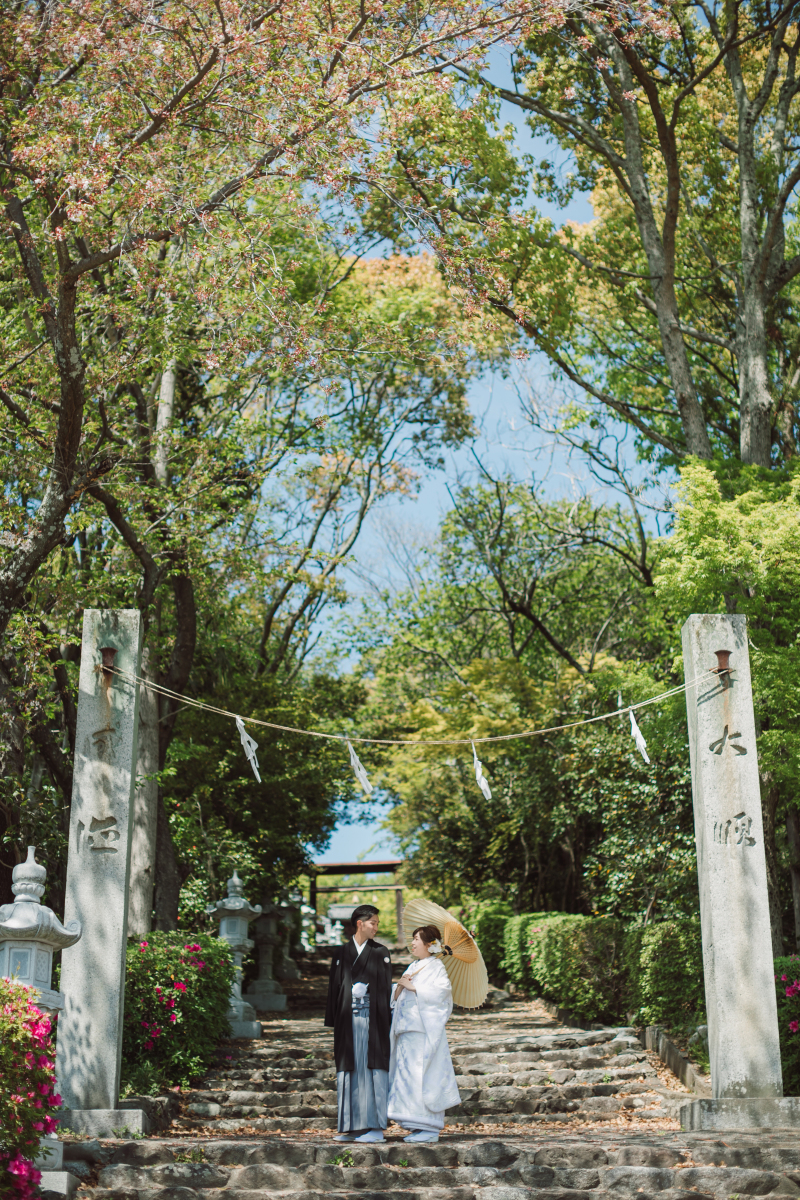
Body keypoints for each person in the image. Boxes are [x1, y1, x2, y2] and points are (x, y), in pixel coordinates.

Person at [324, 903, 393, 1143]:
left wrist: (368, 991)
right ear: (359, 923)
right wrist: (334, 1016)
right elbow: (334, 988)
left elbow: (385, 990)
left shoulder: (381, 952)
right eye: (373, 923)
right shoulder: (341, 953)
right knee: (349, 1070)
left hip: (371, 1020)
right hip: (347, 1020)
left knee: (370, 1069)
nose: (376, 927)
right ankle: (351, 1127)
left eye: (377, 923)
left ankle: (374, 1128)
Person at [387, 923, 460, 1143]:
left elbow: (442, 993)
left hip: (421, 1031)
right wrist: (399, 987)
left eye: (417, 940)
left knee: (421, 1075)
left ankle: (429, 1126)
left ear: (430, 945)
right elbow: (398, 996)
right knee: (407, 1077)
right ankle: (414, 1123)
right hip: (406, 1030)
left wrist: (415, 988)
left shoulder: (436, 967)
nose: (413, 943)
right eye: (413, 939)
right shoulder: (413, 965)